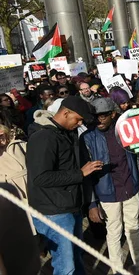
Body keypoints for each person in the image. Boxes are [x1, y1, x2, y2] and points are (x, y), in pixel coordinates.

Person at [82, 98, 139, 274]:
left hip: (130, 188)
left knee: (133, 227)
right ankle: (117, 270)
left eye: (103, 115)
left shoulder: (126, 132)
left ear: (113, 114)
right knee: (114, 232)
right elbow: (86, 176)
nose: (99, 119)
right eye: (96, 116)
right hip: (107, 193)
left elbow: (136, 156)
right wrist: (92, 204)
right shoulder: (87, 138)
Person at [26, 96, 103, 275]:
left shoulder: (67, 132)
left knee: (76, 257)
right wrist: (80, 173)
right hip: (54, 212)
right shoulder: (43, 137)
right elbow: (41, 177)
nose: (80, 124)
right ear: (65, 112)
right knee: (65, 265)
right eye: (78, 119)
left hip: (70, 206)